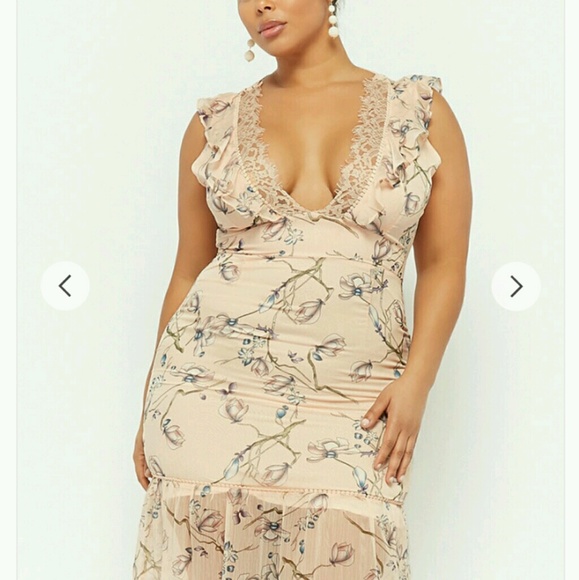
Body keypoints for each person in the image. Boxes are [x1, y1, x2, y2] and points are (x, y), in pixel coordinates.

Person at [132, 0, 472, 578]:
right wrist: (148, 407)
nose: (259, 5)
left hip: (354, 400)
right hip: (206, 395)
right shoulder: (213, 125)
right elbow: (188, 270)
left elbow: (443, 264)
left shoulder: (419, 113)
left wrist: (418, 383)